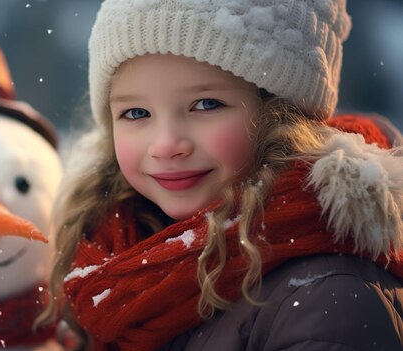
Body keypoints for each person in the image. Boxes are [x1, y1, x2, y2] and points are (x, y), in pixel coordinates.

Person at [38, 0, 403, 350]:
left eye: (206, 104)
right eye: (136, 113)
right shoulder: (99, 258)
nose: (165, 145)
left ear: (280, 114)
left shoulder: (326, 297)